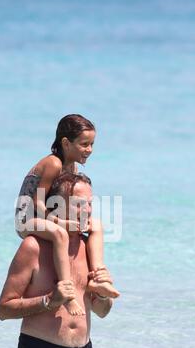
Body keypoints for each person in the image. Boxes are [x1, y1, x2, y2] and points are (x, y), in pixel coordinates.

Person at [0, 172, 120, 348]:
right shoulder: (33, 247)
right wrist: (48, 301)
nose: (88, 211)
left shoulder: (88, 247)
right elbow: (4, 309)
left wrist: (101, 296)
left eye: (90, 204)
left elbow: (103, 311)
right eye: (79, 204)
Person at [15, 114, 119, 316]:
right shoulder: (53, 163)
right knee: (59, 234)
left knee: (96, 225)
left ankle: (97, 278)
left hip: (49, 215)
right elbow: (37, 201)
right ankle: (68, 294)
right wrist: (60, 222)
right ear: (66, 143)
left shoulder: (73, 167)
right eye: (84, 144)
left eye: (92, 144)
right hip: (27, 219)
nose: (90, 150)